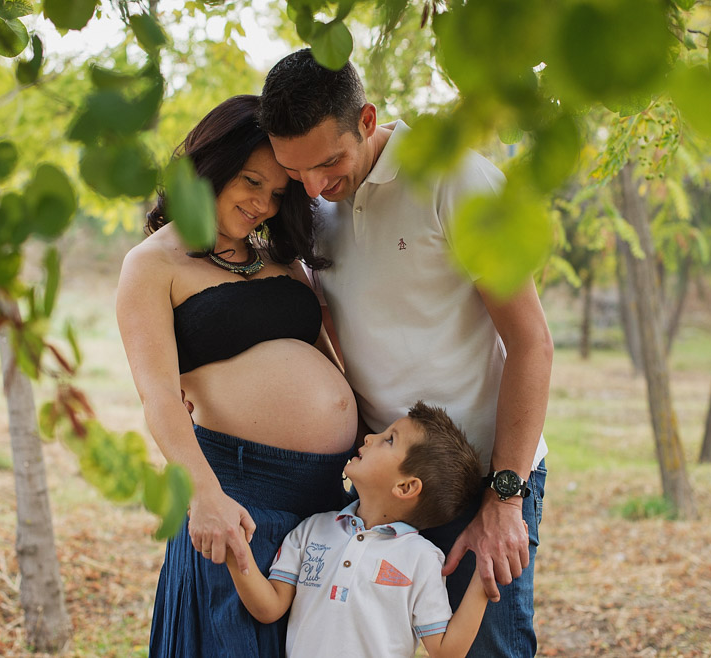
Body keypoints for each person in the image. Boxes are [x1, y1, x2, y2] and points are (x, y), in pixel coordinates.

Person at [259, 50, 554, 656]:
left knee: (487, 649)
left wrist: (505, 497)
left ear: (367, 120)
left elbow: (532, 343)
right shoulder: (311, 205)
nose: (314, 187)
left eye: (329, 162)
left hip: (485, 472)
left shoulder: (456, 180)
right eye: (294, 171)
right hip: (379, 480)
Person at [116, 94, 359, 658]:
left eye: (277, 193)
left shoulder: (281, 260)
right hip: (238, 495)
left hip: (325, 500)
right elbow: (159, 398)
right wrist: (205, 496)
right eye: (251, 182)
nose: (262, 204)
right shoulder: (153, 264)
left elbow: (329, 364)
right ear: (211, 166)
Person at [218, 401, 510, 658]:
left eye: (389, 440)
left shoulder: (422, 559)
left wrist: (484, 578)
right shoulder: (311, 529)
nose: (369, 437)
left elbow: (445, 652)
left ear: (405, 487)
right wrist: (235, 551)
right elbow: (269, 608)